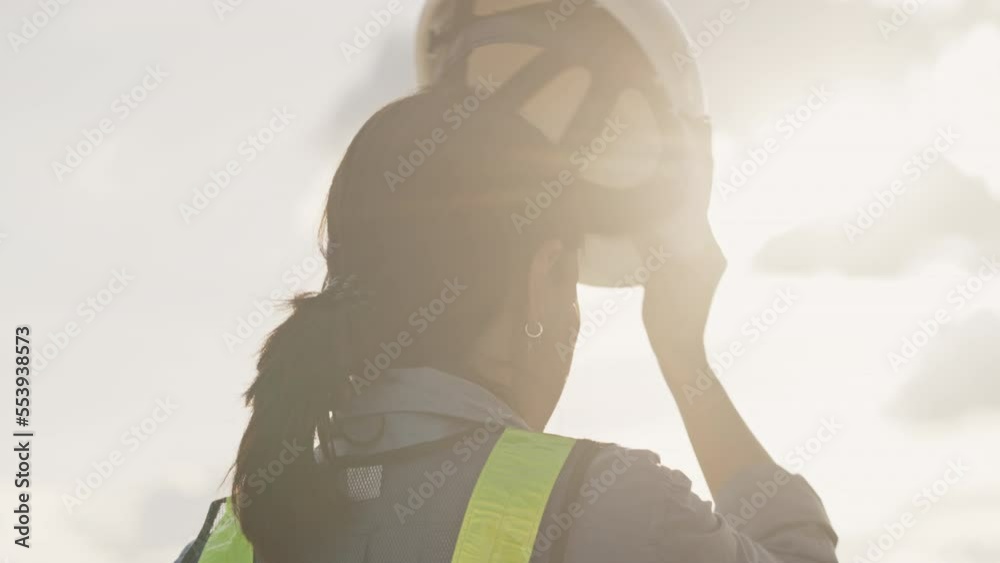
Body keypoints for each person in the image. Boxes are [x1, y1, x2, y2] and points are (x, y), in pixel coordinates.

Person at [173, 82, 838, 562]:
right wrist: (683, 357)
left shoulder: (217, 547)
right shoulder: (613, 509)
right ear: (545, 276)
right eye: (570, 281)